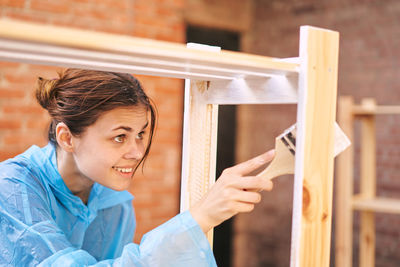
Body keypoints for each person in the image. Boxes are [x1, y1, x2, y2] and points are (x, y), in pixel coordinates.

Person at [0, 68, 274, 266]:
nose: (137, 152)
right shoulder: (11, 189)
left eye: (140, 134)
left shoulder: (114, 203)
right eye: (120, 136)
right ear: (67, 138)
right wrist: (199, 218)